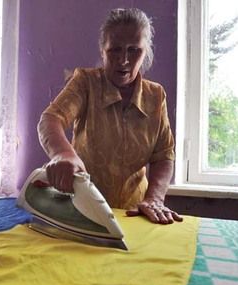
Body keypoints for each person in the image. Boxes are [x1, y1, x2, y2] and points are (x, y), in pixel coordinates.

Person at [37, 8, 182, 224]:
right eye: (115, 50)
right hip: (83, 209)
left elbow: (163, 155)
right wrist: (63, 154)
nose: (123, 60)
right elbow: (50, 119)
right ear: (102, 50)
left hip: (135, 213)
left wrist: (155, 199)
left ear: (146, 52)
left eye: (134, 50)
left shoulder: (155, 96)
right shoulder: (85, 83)